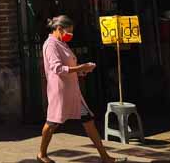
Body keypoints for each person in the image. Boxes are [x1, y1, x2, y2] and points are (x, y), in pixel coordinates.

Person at [38, 16, 122, 163]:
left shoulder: (61, 43)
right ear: (59, 29)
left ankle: (105, 156)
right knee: (52, 122)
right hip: (61, 91)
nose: (70, 35)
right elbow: (58, 68)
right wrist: (81, 67)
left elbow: (68, 65)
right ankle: (42, 154)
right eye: (68, 31)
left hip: (73, 90)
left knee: (88, 121)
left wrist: (82, 70)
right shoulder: (50, 45)